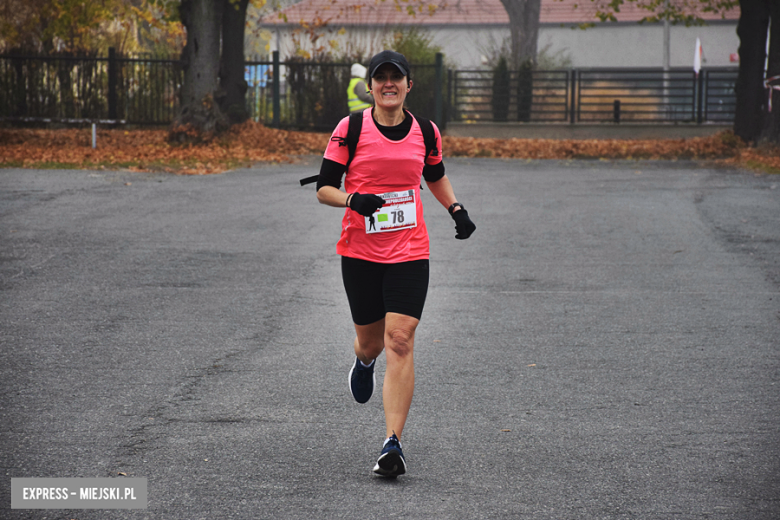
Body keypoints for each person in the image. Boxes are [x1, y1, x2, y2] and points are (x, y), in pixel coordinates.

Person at [315, 50, 476, 478]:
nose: (389, 84)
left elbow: (434, 174)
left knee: (400, 339)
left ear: (408, 85)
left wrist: (455, 208)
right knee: (372, 342)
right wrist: (353, 199)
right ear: (370, 86)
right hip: (361, 252)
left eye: (396, 78)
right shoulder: (350, 128)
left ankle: (392, 443)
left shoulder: (426, 130)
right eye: (380, 78)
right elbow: (324, 188)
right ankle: (364, 361)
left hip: (409, 251)